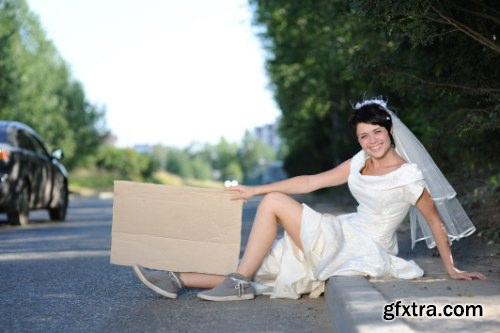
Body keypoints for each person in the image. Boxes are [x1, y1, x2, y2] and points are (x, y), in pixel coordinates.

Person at [132, 98, 486, 301]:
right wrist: (252, 190)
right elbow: (312, 181)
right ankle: (178, 278)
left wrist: (452, 268)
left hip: (366, 246)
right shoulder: (359, 161)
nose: (372, 141)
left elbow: (436, 220)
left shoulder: (408, 176)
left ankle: (237, 283)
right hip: (343, 230)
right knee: (265, 265)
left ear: (390, 131)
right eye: (364, 135)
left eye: (377, 132)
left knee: (273, 203)